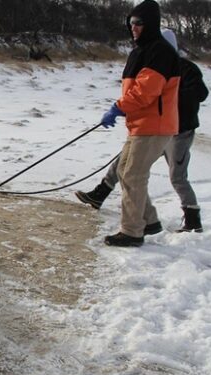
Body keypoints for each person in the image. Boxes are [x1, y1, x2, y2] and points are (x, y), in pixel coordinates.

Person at [76, 29, 209, 235]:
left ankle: (192, 219)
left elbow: (200, 93)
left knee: (177, 176)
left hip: (179, 132)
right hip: (152, 128)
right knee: (126, 164)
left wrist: (167, 101)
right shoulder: (150, 65)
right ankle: (101, 194)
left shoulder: (185, 68)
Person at [82, 0, 181, 247]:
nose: (134, 28)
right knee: (126, 172)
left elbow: (145, 92)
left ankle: (132, 232)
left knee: (134, 175)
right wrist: (123, 110)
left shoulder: (159, 51)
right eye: (131, 23)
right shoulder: (144, 50)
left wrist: (118, 107)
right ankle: (149, 221)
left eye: (138, 23)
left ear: (151, 25)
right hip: (142, 125)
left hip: (153, 126)